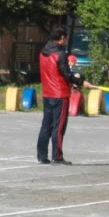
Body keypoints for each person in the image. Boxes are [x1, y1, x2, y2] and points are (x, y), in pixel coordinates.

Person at [36, 27, 73, 165]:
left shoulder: (43, 52)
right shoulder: (60, 54)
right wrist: (79, 79)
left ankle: (42, 156)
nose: (67, 40)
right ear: (62, 38)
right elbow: (67, 75)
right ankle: (57, 156)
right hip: (60, 94)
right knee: (59, 126)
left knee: (46, 125)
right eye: (66, 37)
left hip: (47, 93)